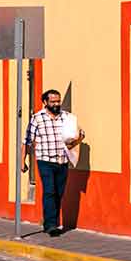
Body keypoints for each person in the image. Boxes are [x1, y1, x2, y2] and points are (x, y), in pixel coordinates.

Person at [21, 88, 84, 236]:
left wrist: (77, 141)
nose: (56, 104)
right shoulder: (37, 118)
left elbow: (79, 135)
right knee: (50, 191)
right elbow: (27, 141)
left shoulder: (67, 118)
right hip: (45, 160)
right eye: (53, 101)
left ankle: (51, 221)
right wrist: (22, 161)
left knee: (59, 193)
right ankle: (51, 225)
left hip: (62, 161)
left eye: (58, 101)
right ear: (45, 102)